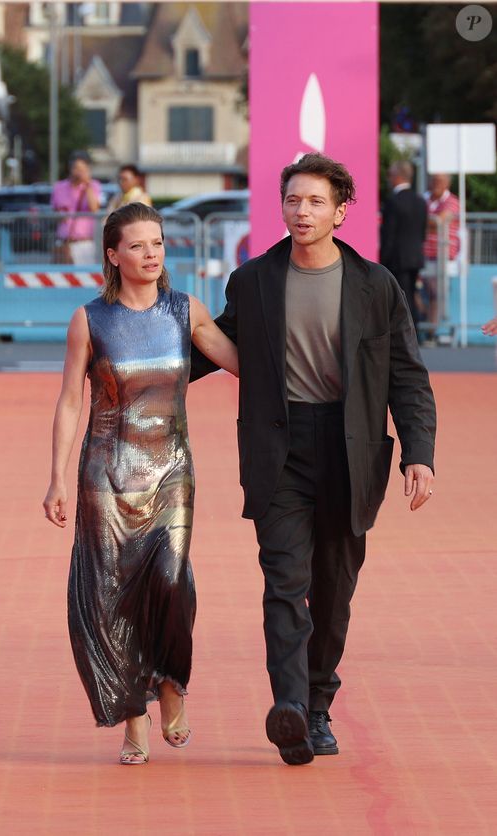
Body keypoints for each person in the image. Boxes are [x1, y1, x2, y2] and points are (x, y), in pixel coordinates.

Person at [191, 153, 437, 766]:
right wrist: (138, 363)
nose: (301, 212)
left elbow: (406, 377)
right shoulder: (253, 280)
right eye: (293, 201)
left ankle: (320, 704)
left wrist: (419, 453)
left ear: (341, 211)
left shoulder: (377, 286)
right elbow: (221, 343)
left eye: (315, 202)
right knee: (284, 581)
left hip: (350, 449)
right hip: (279, 448)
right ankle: (292, 710)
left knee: (332, 589)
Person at [43, 203, 237, 766]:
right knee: (114, 598)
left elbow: (242, 362)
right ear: (113, 254)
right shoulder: (90, 320)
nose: (151, 254)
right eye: (138, 245)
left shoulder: (185, 310)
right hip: (105, 474)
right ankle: (134, 720)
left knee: (172, 580)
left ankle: (172, 686)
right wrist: (56, 478)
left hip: (172, 470)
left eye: (157, 243)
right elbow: (70, 401)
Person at [380, 160, 427, 326]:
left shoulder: (393, 202)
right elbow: (422, 232)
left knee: (400, 297)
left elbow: (389, 234)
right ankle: (413, 331)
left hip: (397, 259)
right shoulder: (420, 201)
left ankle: (406, 334)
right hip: (415, 257)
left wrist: (383, 260)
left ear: (396, 176)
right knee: (411, 294)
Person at [419, 173, 461, 339]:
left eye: (439, 181)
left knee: (435, 292)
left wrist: (421, 221)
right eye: (434, 180)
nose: (435, 184)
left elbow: (440, 222)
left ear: (447, 184)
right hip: (421, 253)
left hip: (441, 255)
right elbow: (433, 222)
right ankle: (425, 321)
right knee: (415, 290)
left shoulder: (452, 201)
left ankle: (430, 330)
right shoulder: (424, 198)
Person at [51, 151, 102, 265]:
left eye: (83, 169)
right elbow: (54, 211)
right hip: (63, 242)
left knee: (85, 278)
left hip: (84, 243)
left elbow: (94, 209)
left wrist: (87, 185)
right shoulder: (59, 187)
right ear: (70, 168)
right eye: (76, 168)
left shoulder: (94, 186)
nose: (79, 172)